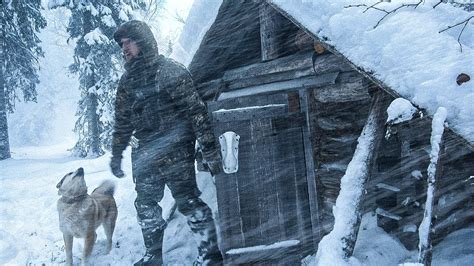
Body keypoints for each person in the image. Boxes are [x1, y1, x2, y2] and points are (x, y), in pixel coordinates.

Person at [110, 20, 223, 266]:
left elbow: (197, 113)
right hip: (145, 154)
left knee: (189, 201)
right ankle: (153, 256)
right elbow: (122, 121)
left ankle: (210, 256)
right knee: (145, 205)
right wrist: (116, 154)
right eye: (122, 44)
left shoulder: (170, 71)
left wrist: (210, 150)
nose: (124, 48)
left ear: (143, 42)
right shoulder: (127, 82)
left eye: (129, 42)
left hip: (175, 153)